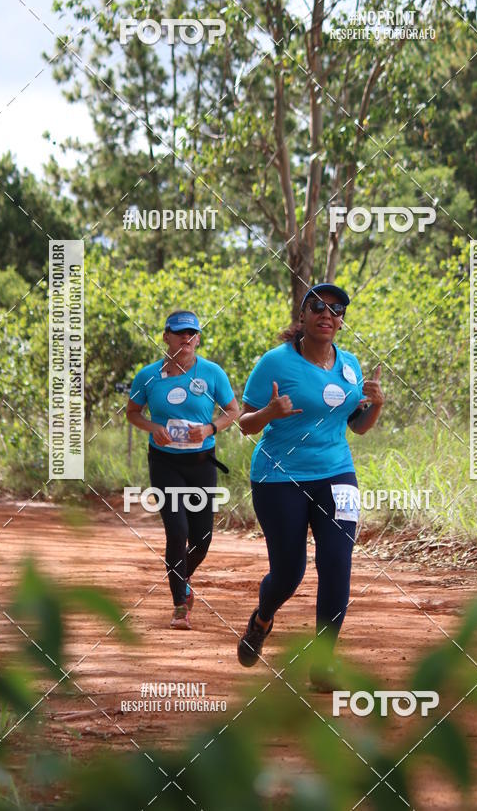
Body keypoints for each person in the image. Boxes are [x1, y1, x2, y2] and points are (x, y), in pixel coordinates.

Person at [236, 284, 384, 687]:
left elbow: (357, 427)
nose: (327, 314)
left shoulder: (349, 364)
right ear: (302, 317)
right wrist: (269, 412)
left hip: (337, 474)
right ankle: (262, 619)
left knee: (337, 564)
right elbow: (245, 424)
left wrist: (376, 405)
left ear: (342, 321)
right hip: (279, 477)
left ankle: (322, 663)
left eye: (336, 309)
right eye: (317, 306)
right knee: (289, 573)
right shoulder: (275, 362)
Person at [127, 310, 239, 630]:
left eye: (191, 333)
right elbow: (133, 412)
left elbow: (233, 410)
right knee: (177, 532)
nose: (185, 338)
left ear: (198, 339)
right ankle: (180, 605)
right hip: (165, 463)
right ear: (166, 337)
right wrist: (153, 428)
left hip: (202, 463)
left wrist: (210, 429)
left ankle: (181, 576)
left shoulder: (212, 373)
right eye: (179, 333)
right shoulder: (147, 376)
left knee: (202, 539)